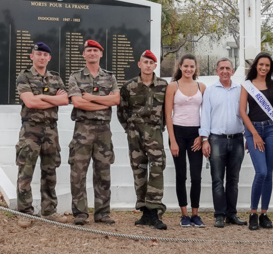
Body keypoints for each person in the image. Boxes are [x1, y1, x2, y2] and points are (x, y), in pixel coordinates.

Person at [14, 42, 70, 227]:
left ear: (49, 58)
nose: (41, 57)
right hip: (31, 130)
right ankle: (25, 212)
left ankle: (49, 210)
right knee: (26, 171)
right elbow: (30, 102)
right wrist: (52, 99)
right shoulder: (25, 76)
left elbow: (65, 100)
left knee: (50, 171)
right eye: (38, 54)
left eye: (45, 55)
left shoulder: (55, 77)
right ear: (32, 56)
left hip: (51, 130)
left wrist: (42, 98)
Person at [67, 39, 120, 226]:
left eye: (95, 50)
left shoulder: (110, 77)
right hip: (83, 129)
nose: (92, 53)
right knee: (78, 173)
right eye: (88, 50)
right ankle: (80, 213)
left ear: (101, 54)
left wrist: (91, 97)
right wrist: (103, 101)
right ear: (83, 54)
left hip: (103, 131)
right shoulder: (75, 77)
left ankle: (103, 213)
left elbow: (116, 100)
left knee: (103, 172)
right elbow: (78, 102)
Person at [117, 50, 169, 230]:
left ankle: (154, 211)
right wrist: (130, 128)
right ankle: (144, 211)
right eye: (145, 62)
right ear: (139, 64)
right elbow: (122, 111)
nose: (148, 66)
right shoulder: (129, 86)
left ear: (155, 66)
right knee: (138, 170)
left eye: (151, 63)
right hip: (134, 133)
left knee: (157, 167)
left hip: (154, 132)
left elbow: (166, 111)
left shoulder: (163, 85)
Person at [239, 52, 273, 230]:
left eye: (267, 65)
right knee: (261, 172)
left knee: (269, 173)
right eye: (260, 65)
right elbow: (242, 112)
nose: (263, 68)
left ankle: (264, 213)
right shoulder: (247, 85)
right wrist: (254, 134)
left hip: (272, 130)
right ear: (255, 66)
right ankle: (252, 213)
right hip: (254, 130)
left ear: (270, 67)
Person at [199, 57, 247, 228]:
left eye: (228, 68)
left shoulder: (241, 90)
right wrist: (205, 139)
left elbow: (245, 114)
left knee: (233, 180)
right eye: (221, 68)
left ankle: (231, 214)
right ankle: (219, 215)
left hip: (237, 140)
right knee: (217, 179)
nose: (225, 71)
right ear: (216, 71)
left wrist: (248, 136)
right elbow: (204, 116)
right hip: (216, 140)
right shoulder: (210, 91)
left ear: (232, 71)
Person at [164, 54, 207, 227]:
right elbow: (168, 115)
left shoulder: (202, 87)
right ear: (180, 67)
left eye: (192, 66)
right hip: (178, 133)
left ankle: (195, 214)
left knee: (196, 176)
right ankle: (184, 214)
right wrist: (173, 140)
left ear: (196, 68)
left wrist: (202, 136)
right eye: (186, 66)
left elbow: (207, 114)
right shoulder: (172, 87)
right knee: (181, 175)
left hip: (196, 133)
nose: (189, 69)